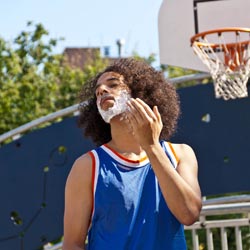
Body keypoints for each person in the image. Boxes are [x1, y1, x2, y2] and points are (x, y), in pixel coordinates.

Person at [62, 58, 202, 250]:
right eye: (97, 91)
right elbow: (72, 245)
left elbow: (189, 214)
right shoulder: (87, 166)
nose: (102, 90)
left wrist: (152, 147)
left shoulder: (180, 153)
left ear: (141, 93)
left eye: (112, 85)